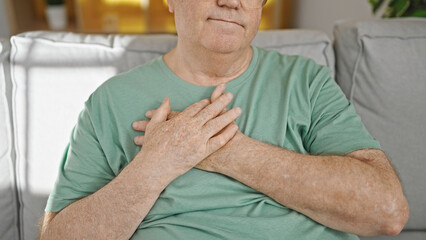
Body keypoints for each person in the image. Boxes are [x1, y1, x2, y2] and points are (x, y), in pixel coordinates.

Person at [38, 0, 409, 239]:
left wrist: (225, 152)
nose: (230, 2)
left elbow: (387, 213)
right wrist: (155, 166)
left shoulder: (305, 81)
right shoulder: (112, 100)